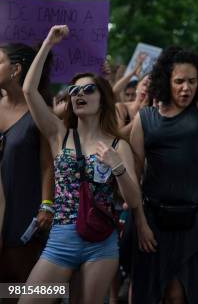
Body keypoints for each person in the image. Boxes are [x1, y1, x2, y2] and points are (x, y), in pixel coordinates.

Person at [20, 25, 142, 304]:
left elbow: (133, 200)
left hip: (101, 243)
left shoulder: (117, 145)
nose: (78, 94)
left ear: (102, 98)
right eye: (74, 90)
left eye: (88, 89)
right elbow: (29, 91)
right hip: (60, 241)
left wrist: (117, 166)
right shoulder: (59, 135)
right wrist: (48, 43)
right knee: (28, 299)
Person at [129, 0, 198, 303]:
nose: (186, 88)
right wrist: (140, 224)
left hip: (194, 223)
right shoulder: (145, 119)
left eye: (192, 81)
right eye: (179, 81)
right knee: (146, 293)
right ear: (166, 82)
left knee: (179, 295)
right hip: (153, 222)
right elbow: (133, 179)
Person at [0, 43, 54, 284]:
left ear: (16, 69)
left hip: (22, 209)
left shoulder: (38, 111)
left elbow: (47, 165)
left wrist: (46, 205)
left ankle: (59, 296)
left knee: (18, 281)